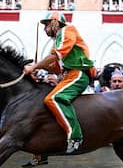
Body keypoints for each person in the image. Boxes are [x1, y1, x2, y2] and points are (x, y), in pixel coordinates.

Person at [23, 11, 95, 154]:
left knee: (54, 98)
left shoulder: (67, 30)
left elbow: (56, 55)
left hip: (78, 74)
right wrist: (38, 67)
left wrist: (34, 66)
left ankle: (75, 137)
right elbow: (55, 68)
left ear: (54, 23)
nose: (44, 29)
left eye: (46, 25)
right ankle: (41, 153)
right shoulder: (58, 40)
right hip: (68, 75)